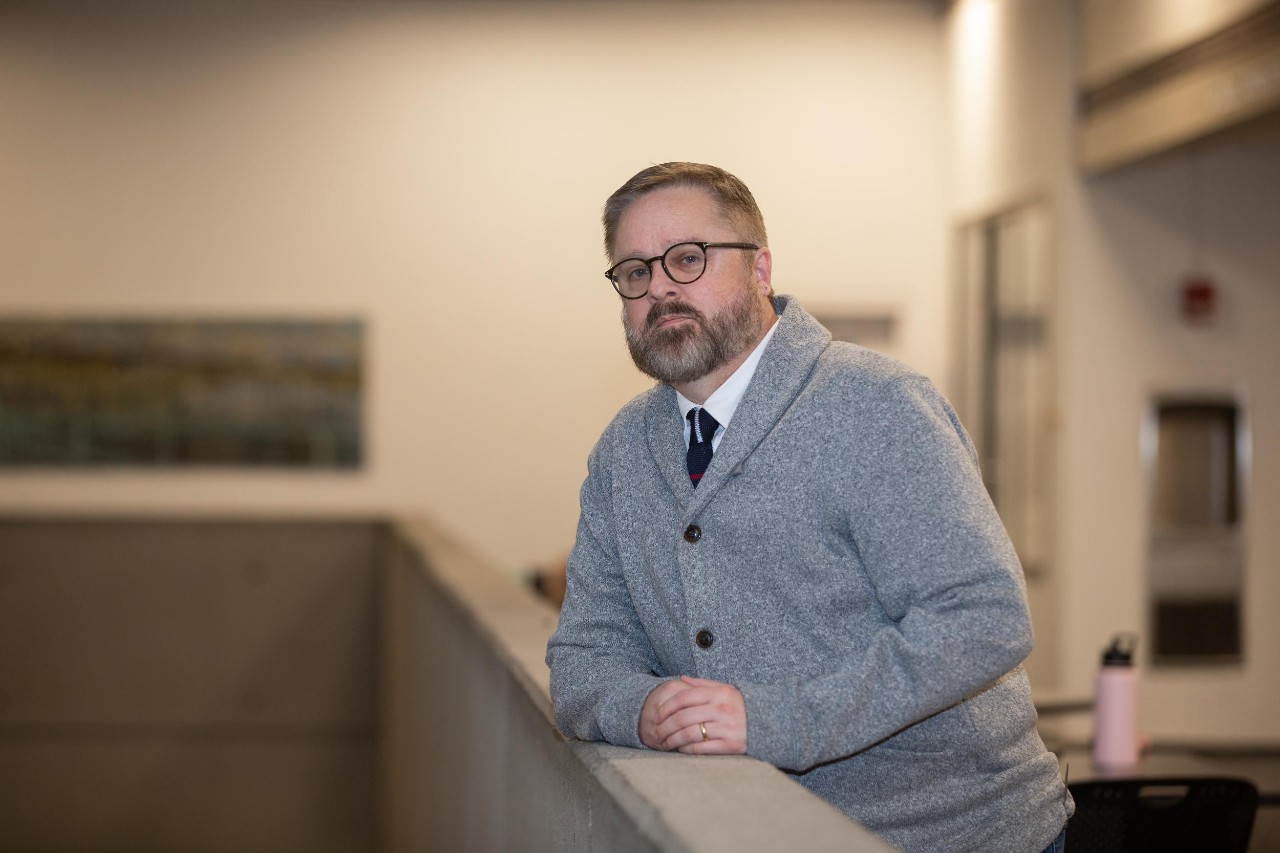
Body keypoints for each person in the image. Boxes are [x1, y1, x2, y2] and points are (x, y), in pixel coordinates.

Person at [545, 162, 1072, 852]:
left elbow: (984, 619)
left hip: (954, 834)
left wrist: (774, 717)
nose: (662, 288)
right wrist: (642, 708)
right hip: (757, 831)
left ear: (761, 267)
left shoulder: (876, 406)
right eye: (635, 272)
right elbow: (585, 653)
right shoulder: (622, 453)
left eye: (688, 258)